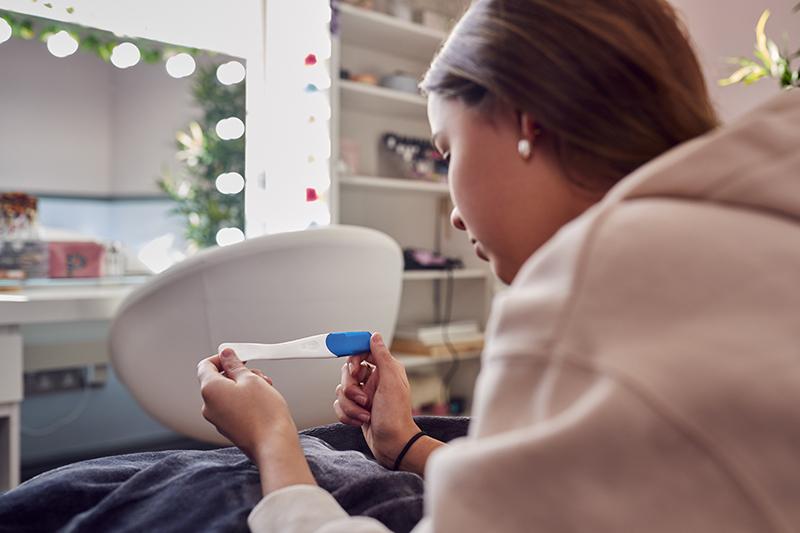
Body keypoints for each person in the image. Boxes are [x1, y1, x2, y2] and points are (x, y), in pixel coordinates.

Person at [198, 0, 800, 532]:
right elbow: (576, 489)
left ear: (526, 119)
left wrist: (274, 442)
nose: (455, 218)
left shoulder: (588, 282)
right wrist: (405, 443)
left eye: (448, 152)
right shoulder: (755, 231)